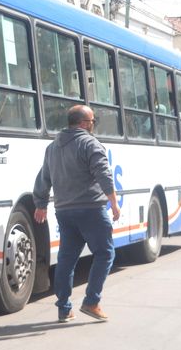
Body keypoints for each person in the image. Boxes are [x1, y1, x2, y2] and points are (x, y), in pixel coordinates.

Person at [33, 105, 121, 323]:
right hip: (91, 208)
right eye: (92, 122)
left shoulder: (52, 147)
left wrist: (41, 203)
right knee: (105, 253)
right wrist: (114, 202)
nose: (93, 126)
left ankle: (64, 308)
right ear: (83, 123)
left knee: (66, 259)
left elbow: (44, 177)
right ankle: (92, 301)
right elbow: (103, 173)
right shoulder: (90, 143)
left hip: (64, 210)